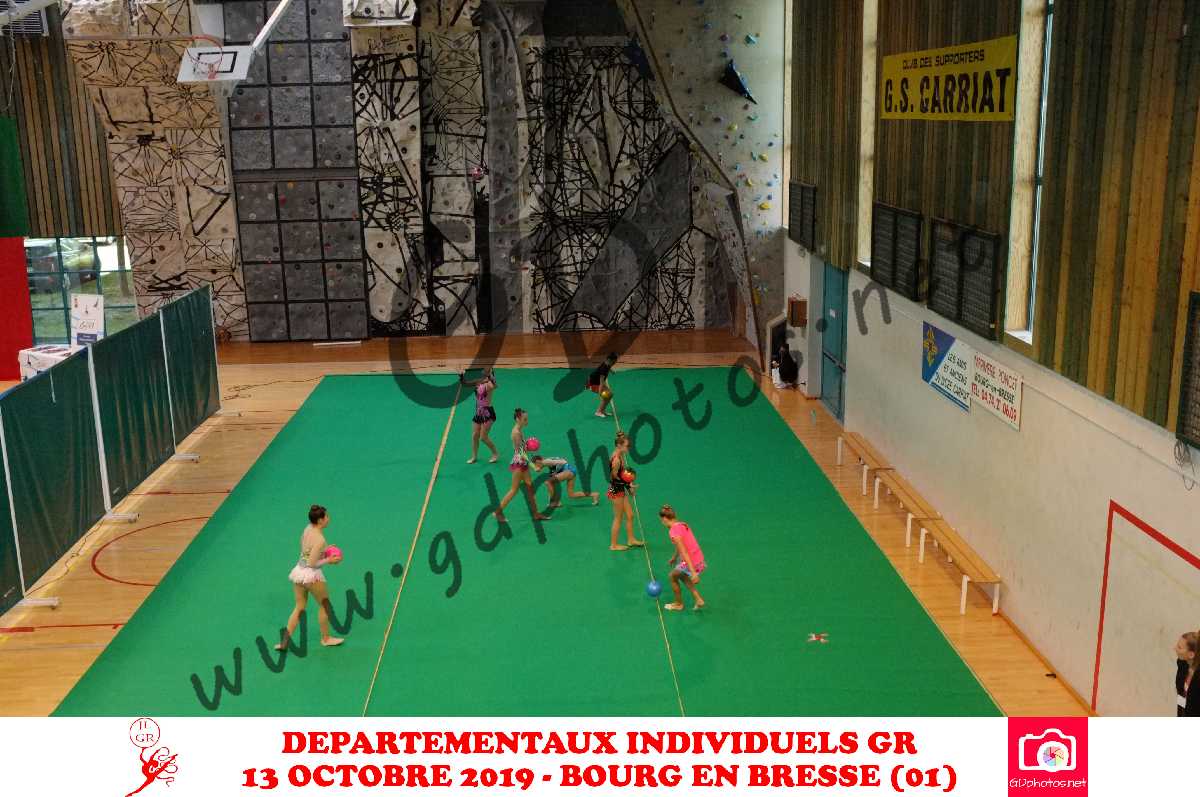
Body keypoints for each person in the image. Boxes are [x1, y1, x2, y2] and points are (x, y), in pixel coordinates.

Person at [275, 504, 344, 650]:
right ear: (320, 520)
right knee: (325, 605)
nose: (328, 518)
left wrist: (324, 551)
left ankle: (284, 642)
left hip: (299, 572)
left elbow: (305, 549)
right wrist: (328, 559)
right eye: (326, 516)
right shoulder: (320, 539)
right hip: (312, 576)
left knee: (299, 606)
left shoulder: (308, 529)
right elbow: (312, 563)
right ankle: (326, 639)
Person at [495, 408, 550, 522]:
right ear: (518, 419)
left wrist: (528, 445)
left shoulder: (519, 430)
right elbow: (521, 453)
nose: (527, 421)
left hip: (523, 463)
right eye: (525, 419)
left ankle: (536, 514)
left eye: (527, 419)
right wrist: (533, 466)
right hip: (519, 464)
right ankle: (497, 512)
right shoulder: (516, 433)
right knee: (513, 490)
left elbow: (522, 449)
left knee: (530, 488)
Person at [658, 504, 705, 611]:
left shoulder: (673, 532)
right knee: (682, 575)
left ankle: (679, 604)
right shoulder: (682, 524)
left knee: (672, 576)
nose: (662, 522)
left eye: (661, 520)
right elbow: (682, 545)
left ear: (665, 519)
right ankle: (698, 599)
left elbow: (684, 552)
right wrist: (674, 557)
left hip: (691, 561)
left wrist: (693, 573)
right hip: (698, 557)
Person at [607, 432, 643, 551]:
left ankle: (631, 539)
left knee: (630, 515)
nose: (629, 448)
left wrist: (629, 484)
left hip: (620, 488)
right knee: (618, 517)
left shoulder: (620, 455)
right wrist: (628, 486)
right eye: (627, 446)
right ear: (619, 445)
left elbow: (621, 475)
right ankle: (613, 545)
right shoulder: (616, 460)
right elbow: (613, 479)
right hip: (616, 490)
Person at [531, 455, 599, 507]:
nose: (536, 465)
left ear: (538, 461)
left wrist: (557, 471)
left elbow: (563, 462)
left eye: (535, 464)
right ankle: (594, 494)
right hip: (572, 471)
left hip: (568, 470)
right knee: (571, 495)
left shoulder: (546, 462)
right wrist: (537, 468)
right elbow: (540, 468)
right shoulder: (545, 462)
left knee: (548, 482)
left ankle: (555, 502)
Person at [462, 368, 499, 464]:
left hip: (488, 413)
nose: (484, 376)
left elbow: (495, 386)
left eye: (487, 374)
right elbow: (465, 383)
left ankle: (495, 453)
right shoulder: (478, 382)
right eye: (484, 374)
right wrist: (461, 375)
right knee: (475, 435)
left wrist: (491, 377)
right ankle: (474, 456)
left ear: (490, 375)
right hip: (478, 412)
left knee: (483, 437)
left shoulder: (489, 384)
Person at [587, 353, 618, 417]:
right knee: (607, 396)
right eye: (614, 362)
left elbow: (609, 367)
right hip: (593, 384)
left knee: (610, 395)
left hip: (596, 382)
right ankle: (598, 412)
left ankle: (602, 411)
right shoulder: (603, 370)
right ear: (609, 360)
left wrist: (612, 371)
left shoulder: (607, 363)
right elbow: (601, 383)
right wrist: (600, 393)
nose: (614, 363)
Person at [1176, 631, 1200, 716]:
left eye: (1179, 647)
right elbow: (1181, 693)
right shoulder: (1182, 663)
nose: (1175, 648)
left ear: (1191, 655)